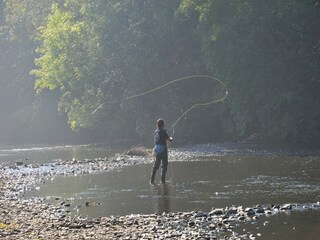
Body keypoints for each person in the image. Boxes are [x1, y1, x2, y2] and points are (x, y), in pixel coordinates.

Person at [150, 118, 173, 184]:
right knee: (164, 165)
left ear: (157, 125)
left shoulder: (155, 132)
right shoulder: (163, 131)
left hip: (157, 150)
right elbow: (169, 140)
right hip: (163, 150)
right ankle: (163, 181)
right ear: (163, 125)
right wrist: (171, 138)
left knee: (156, 165)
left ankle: (151, 181)